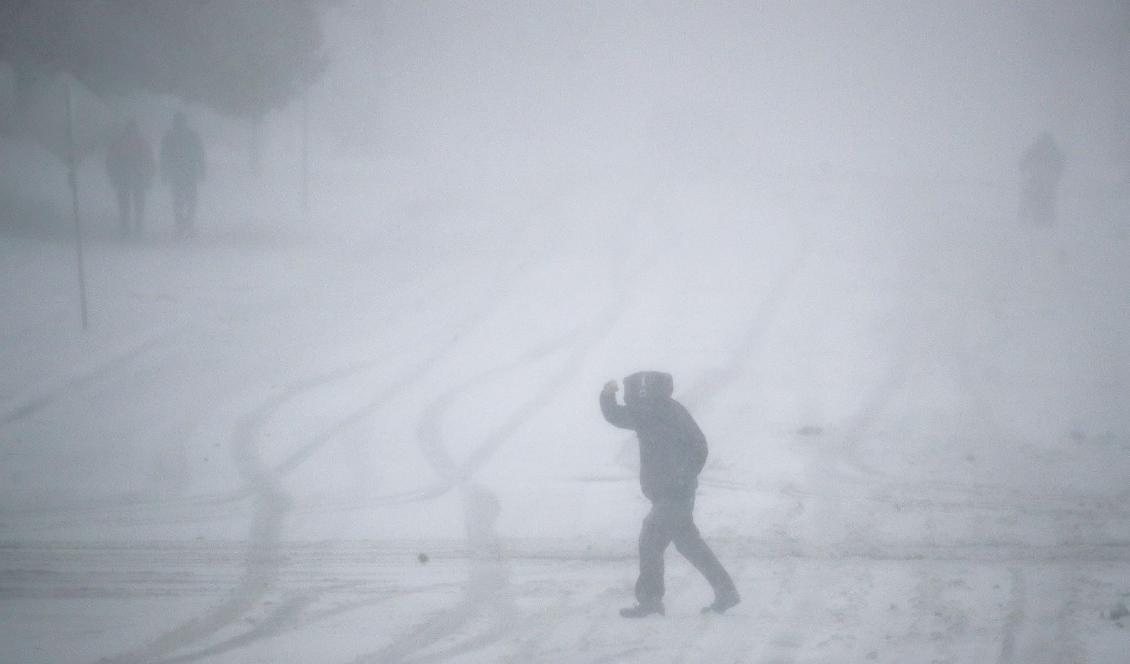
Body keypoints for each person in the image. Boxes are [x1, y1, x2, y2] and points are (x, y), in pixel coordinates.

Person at [600, 371, 739, 618]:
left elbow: (699, 445)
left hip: (675, 494)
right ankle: (725, 592)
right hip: (668, 493)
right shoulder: (650, 412)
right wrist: (608, 396)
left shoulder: (666, 412)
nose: (632, 399)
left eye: (634, 393)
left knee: (650, 539)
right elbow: (617, 416)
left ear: (645, 392)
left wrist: (683, 478)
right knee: (687, 544)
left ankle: (651, 601)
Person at [105, 120, 155, 239]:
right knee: (135, 203)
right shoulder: (141, 143)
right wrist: (149, 175)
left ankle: (127, 227)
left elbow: (110, 160)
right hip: (136, 176)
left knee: (126, 204)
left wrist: (112, 175)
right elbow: (149, 160)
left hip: (128, 177)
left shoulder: (120, 143)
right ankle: (134, 227)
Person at [160, 112, 206, 238]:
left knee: (179, 200)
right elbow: (200, 154)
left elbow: (164, 156)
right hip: (188, 173)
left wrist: (164, 172)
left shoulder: (170, 136)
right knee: (189, 200)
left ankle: (181, 224)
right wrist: (202, 170)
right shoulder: (192, 135)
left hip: (178, 173)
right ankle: (187, 223)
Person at [1018, 132, 1066, 227]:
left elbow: (1025, 159)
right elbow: (1060, 164)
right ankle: (1045, 217)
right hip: (1047, 179)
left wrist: (1023, 168)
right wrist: (1057, 175)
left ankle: (1038, 216)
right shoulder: (1053, 149)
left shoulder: (1037, 148)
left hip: (1038, 177)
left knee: (1035, 196)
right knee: (1046, 197)